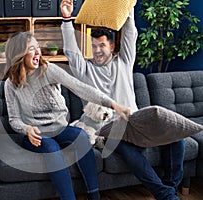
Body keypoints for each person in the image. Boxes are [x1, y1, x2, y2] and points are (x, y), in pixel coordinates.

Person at [60, 0, 185, 200]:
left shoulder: (124, 63)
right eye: (93, 46)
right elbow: (71, 53)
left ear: (112, 46)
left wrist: (128, 7)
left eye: (102, 45)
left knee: (176, 137)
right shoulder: (85, 71)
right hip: (108, 130)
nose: (97, 50)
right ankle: (166, 195)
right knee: (127, 151)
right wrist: (67, 19)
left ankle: (170, 187)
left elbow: (130, 34)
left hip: (135, 123)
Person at [3, 31, 131, 200]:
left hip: (61, 128)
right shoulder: (10, 84)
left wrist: (113, 104)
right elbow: (14, 119)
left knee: (81, 137)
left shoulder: (49, 70)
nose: (37, 52)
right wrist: (27, 129)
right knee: (52, 150)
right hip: (37, 134)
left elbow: (81, 88)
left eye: (37, 47)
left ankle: (94, 196)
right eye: (31, 49)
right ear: (18, 54)